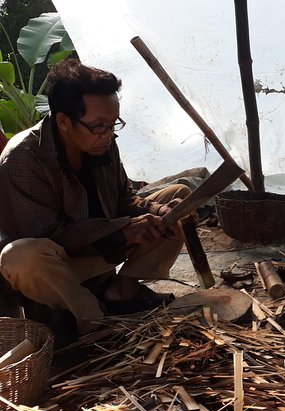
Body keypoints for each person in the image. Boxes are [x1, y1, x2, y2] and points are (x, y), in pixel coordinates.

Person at [0, 58, 190, 335]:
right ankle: (96, 321)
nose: (108, 134)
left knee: (180, 197)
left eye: (114, 124)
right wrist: (121, 231)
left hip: (100, 249)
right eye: (99, 125)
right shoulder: (22, 158)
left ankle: (123, 292)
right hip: (55, 269)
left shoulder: (103, 143)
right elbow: (50, 234)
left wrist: (158, 211)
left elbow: (125, 199)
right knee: (21, 256)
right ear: (64, 121)